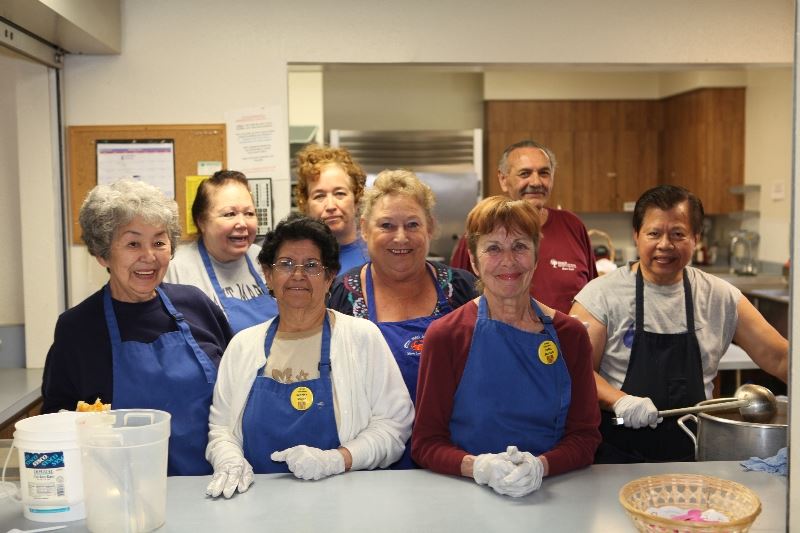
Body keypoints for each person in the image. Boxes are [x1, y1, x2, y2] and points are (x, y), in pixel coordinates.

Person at [570, 185, 789, 463]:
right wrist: (619, 400)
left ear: (696, 238)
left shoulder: (719, 296)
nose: (665, 244)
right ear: (636, 236)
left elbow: (780, 357)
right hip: (618, 454)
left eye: (678, 234)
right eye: (654, 233)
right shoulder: (600, 296)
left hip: (696, 453)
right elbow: (576, 371)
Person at [205, 214, 413, 498]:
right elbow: (221, 429)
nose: (298, 275)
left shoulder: (362, 337)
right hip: (256, 502)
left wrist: (337, 460)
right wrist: (229, 460)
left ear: (329, 277)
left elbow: (394, 425)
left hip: (348, 503)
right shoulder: (242, 346)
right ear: (268, 274)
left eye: (312, 266)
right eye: (286, 264)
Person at [412, 196, 601, 497]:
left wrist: (541, 466)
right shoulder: (447, 336)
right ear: (473, 261)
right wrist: (477, 467)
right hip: (468, 494)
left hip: (554, 494)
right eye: (493, 249)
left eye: (520, 247)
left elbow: (584, 437)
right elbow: (426, 443)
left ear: (537, 256)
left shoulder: (570, 335)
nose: (508, 261)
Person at [42, 179, 233, 475]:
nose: (150, 256)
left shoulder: (195, 305)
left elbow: (238, 390)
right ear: (103, 253)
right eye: (133, 243)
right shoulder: (77, 329)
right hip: (123, 495)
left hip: (211, 483)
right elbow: (56, 422)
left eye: (159, 242)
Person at [328, 169, 477, 469]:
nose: (401, 237)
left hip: (456, 462)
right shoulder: (340, 295)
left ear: (430, 227)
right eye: (386, 225)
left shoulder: (463, 290)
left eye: (412, 224)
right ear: (364, 229)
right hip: (368, 465)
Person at [450, 140, 597, 314]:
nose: (536, 182)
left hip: (566, 339)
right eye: (525, 173)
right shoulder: (482, 230)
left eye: (544, 173)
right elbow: (456, 301)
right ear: (503, 179)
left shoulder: (573, 226)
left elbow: (594, 297)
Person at [165, 170, 277, 333]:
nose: (242, 223)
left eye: (249, 213)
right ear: (202, 221)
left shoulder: (262, 257)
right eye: (230, 214)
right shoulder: (176, 269)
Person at [295, 144, 369, 274]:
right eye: (320, 196)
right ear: (305, 205)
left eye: (339, 194)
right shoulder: (296, 261)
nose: (330, 206)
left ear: (356, 199)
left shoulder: (375, 256)